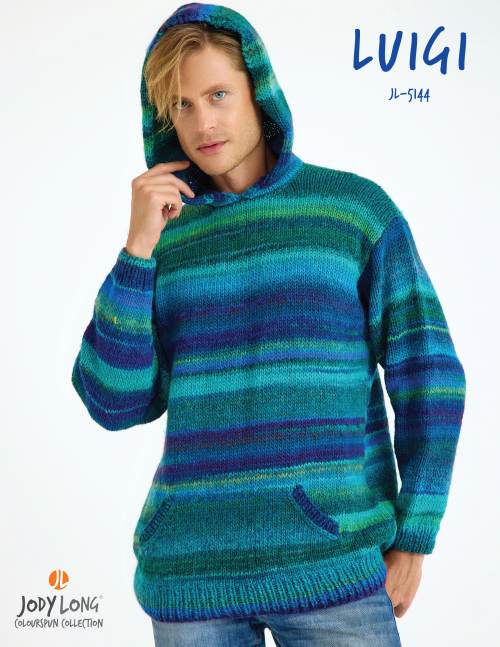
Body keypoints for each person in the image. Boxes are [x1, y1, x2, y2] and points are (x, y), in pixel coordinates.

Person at [71, 3, 466, 646]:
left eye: (217, 95)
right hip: (190, 580)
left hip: (333, 569)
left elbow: (430, 375)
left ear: (259, 90)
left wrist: (416, 535)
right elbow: (113, 403)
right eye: (182, 106)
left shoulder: (352, 213)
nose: (202, 122)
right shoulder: (164, 238)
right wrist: (138, 250)